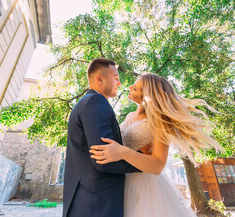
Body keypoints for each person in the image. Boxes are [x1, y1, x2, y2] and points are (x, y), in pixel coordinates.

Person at [90, 73, 223, 217]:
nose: (129, 87)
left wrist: (124, 152)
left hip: (144, 186)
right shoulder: (129, 116)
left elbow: (158, 165)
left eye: (135, 88)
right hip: (121, 181)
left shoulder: (159, 122)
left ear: (146, 96)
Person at [62, 58, 142, 217]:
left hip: (88, 202)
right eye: (116, 78)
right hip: (96, 204)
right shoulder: (95, 101)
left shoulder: (87, 102)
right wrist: (143, 162)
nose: (119, 84)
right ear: (100, 78)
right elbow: (103, 159)